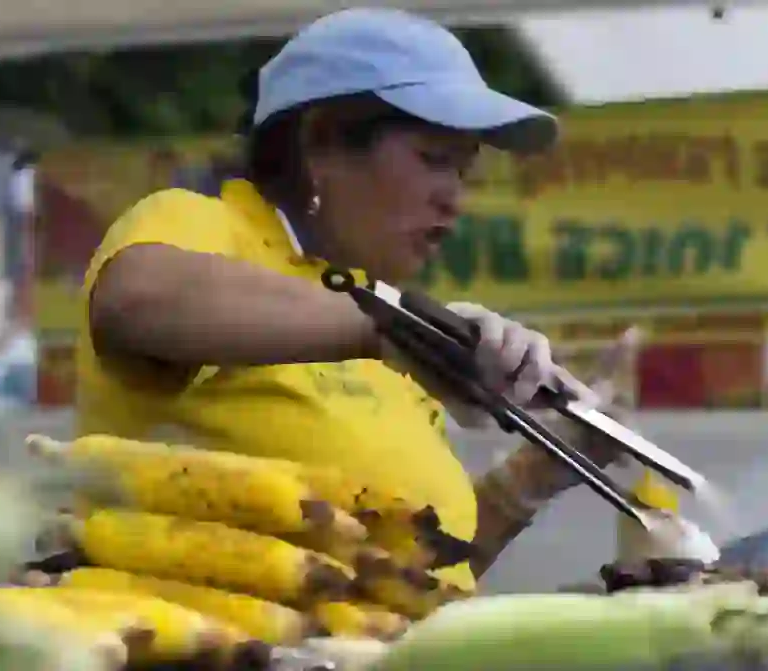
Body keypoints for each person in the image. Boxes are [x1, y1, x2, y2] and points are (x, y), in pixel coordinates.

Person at [75, 7, 630, 591]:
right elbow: (138, 299)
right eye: (432, 160)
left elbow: (404, 571)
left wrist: (543, 469)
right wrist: (397, 329)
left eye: (464, 173)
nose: (454, 200)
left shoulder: (367, 307)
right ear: (320, 142)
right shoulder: (203, 226)